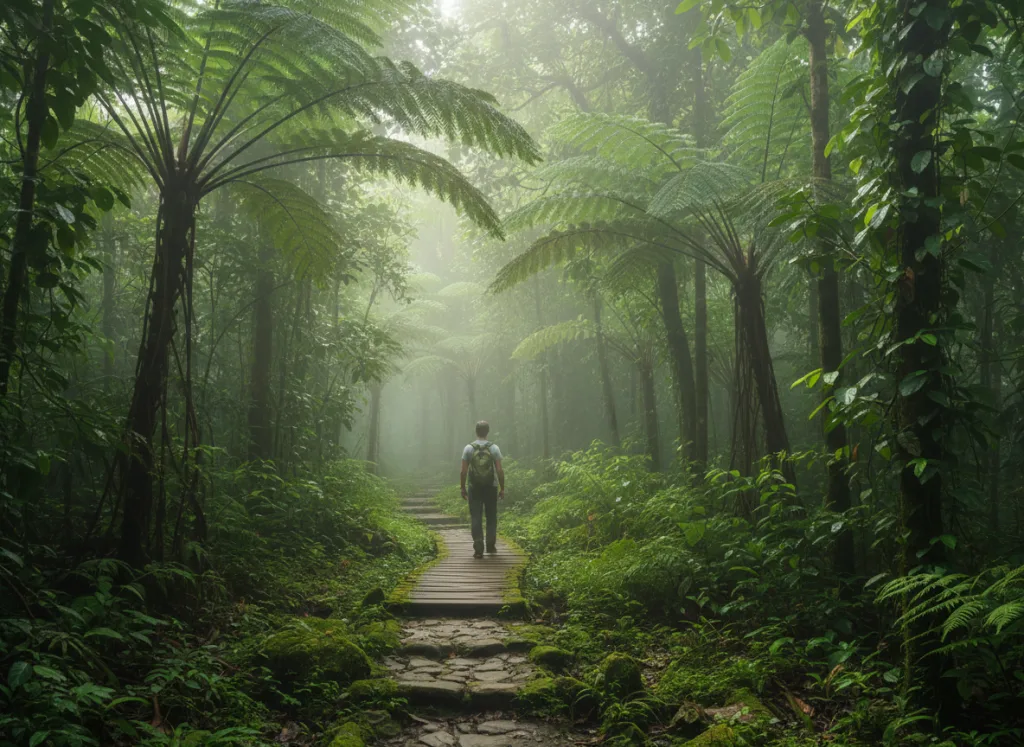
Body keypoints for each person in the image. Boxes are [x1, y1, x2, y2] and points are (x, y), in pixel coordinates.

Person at [460, 421, 505, 558]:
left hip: (474, 487)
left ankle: (478, 548)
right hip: (491, 487)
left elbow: (463, 471)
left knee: (476, 516)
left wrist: (463, 488)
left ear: (476, 431)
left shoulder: (468, 448)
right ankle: (490, 546)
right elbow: (499, 470)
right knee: (491, 516)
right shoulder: (494, 448)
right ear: (487, 432)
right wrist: (502, 488)